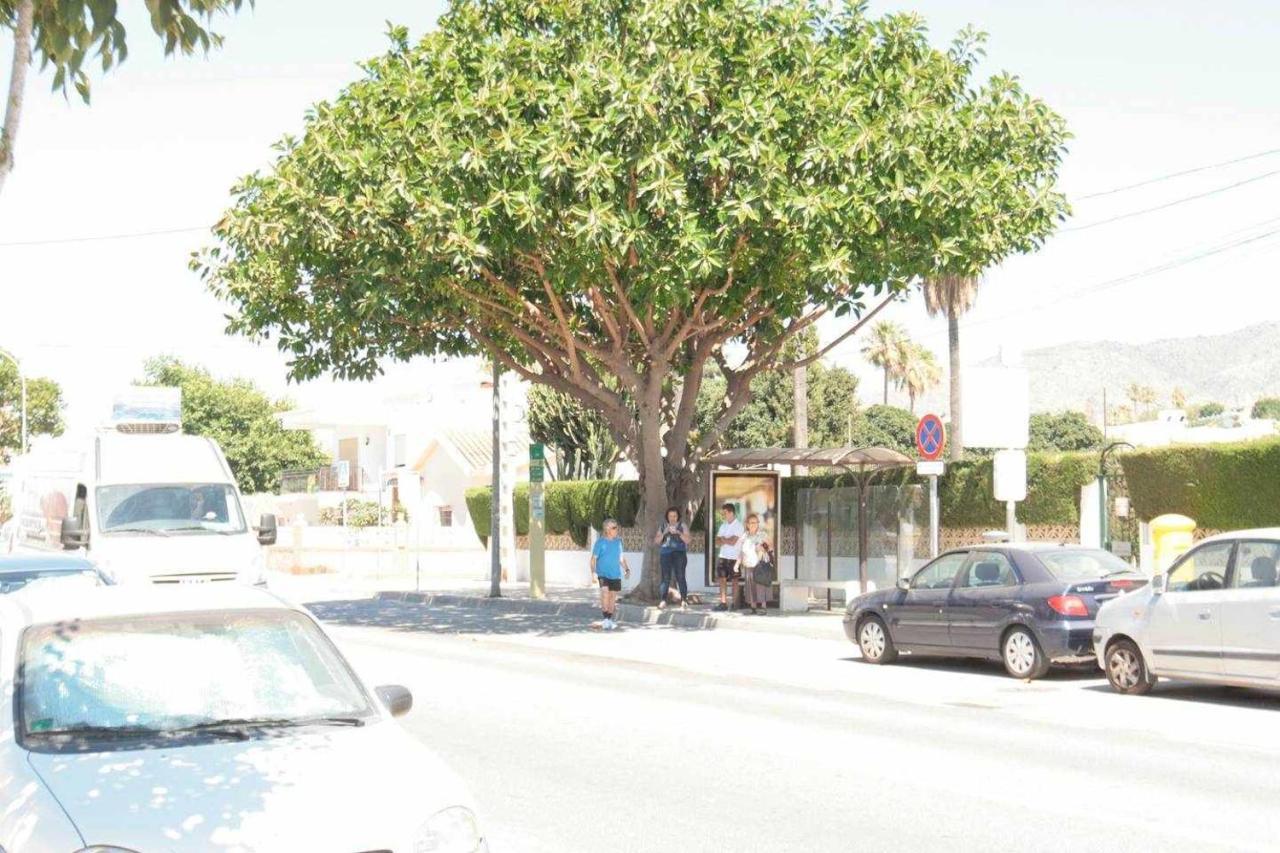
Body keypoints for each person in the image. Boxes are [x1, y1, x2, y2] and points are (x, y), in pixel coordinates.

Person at [590, 518, 630, 630]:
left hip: (615, 574)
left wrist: (627, 569)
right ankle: (605, 619)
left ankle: (609, 619)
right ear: (607, 529)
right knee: (605, 592)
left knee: (612, 596)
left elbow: (621, 558)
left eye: (616, 527)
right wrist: (593, 573)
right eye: (614, 527)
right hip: (602, 574)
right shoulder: (600, 542)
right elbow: (593, 559)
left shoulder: (618, 542)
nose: (616, 529)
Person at [653, 506, 691, 609]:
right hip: (665, 554)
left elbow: (688, 540)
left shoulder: (682, 525)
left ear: (678, 516)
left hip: (679, 553)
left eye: (675, 516)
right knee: (665, 578)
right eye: (670, 516)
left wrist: (678, 533)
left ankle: (684, 600)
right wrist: (665, 532)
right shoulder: (663, 526)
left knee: (681, 576)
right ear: (667, 517)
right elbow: (656, 541)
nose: (672, 518)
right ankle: (663, 600)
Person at [736, 513, 772, 614]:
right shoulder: (744, 536)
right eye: (751, 523)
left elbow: (770, 547)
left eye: (755, 522)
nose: (753, 525)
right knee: (750, 586)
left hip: (760, 564)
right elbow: (741, 551)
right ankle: (753, 607)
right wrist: (737, 564)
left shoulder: (762, 534)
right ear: (747, 524)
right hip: (749, 564)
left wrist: (762, 547)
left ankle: (763, 607)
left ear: (758, 524)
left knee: (761, 585)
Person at [713, 503, 744, 611]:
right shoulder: (723, 525)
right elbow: (716, 541)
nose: (723, 515)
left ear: (731, 513)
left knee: (735, 580)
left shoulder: (739, 526)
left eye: (725, 513)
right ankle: (723, 603)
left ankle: (735, 604)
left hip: (734, 557)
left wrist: (723, 539)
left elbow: (733, 542)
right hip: (723, 556)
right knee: (722, 579)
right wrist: (726, 539)